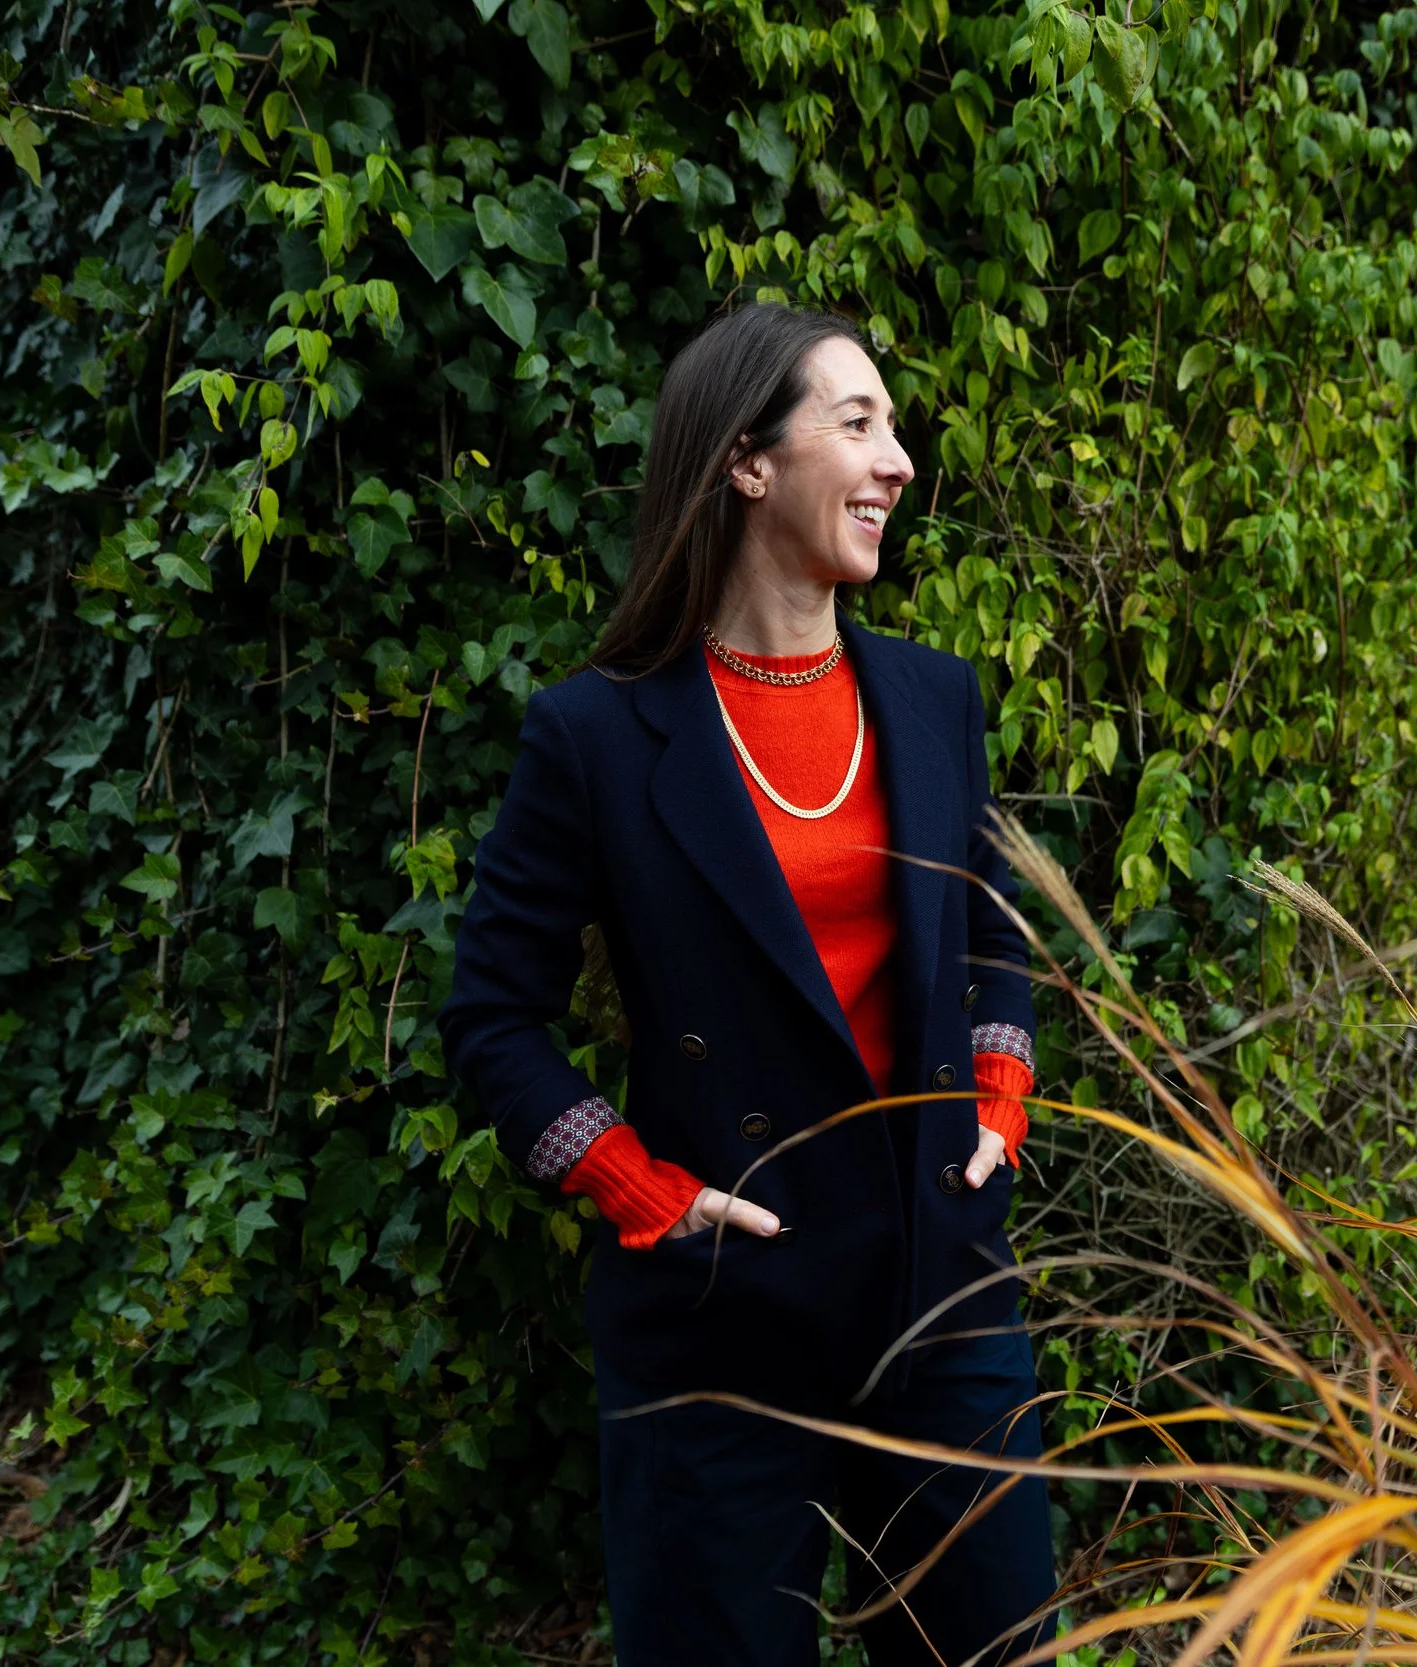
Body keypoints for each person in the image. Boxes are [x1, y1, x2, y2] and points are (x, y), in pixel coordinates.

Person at [438, 302, 1054, 1666]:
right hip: (719, 1318)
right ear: (746, 462)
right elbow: (493, 1014)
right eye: (858, 422)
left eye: (894, 425)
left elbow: (996, 930)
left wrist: (998, 1102)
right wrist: (643, 1194)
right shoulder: (595, 733)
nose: (898, 458)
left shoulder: (937, 698)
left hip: (941, 1290)